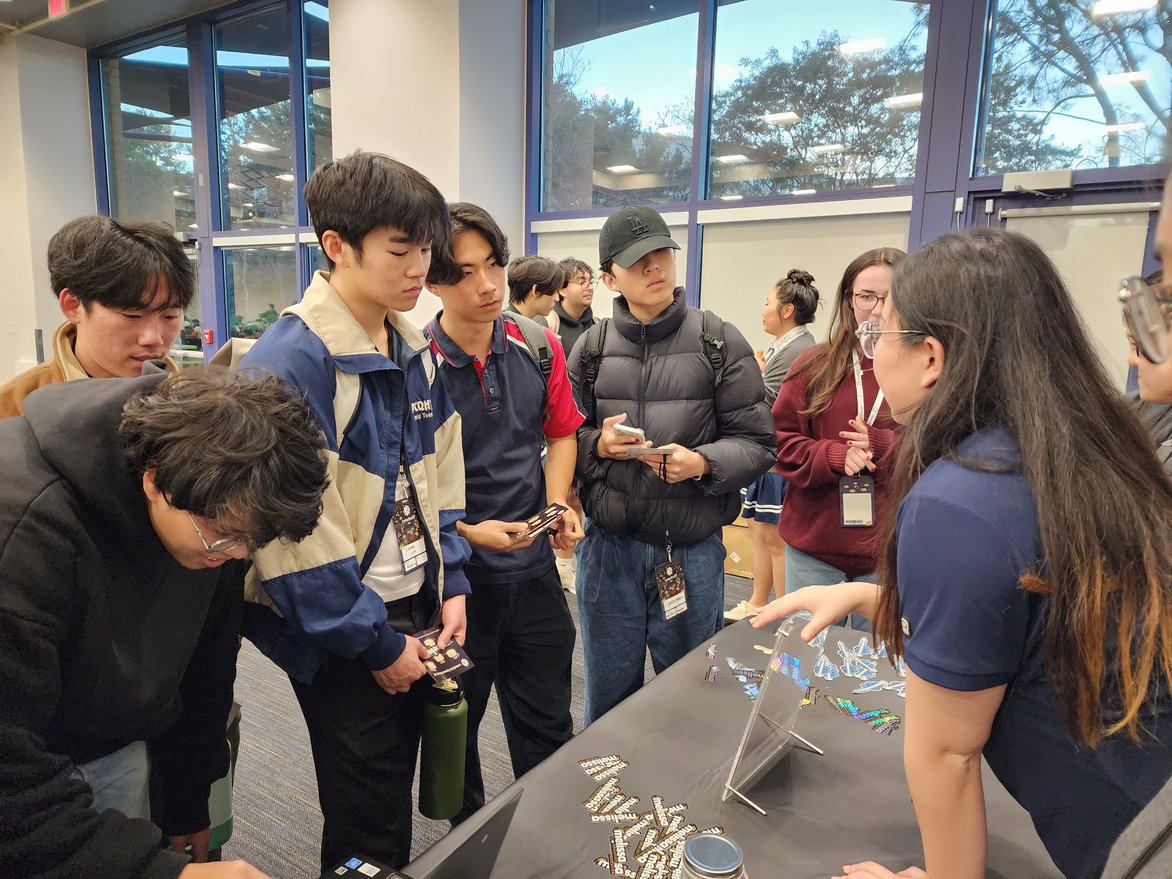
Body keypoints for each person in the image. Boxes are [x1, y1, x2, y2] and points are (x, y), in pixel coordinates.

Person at [753, 227, 1172, 879]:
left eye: (884, 332)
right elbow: (1029, 608)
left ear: (930, 358)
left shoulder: (958, 500)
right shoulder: (1093, 447)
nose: (874, 350)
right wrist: (873, 596)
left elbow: (946, 755)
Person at [237, 150, 472, 871]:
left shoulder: (412, 343)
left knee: (404, 788)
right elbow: (292, 535)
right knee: (367, 815)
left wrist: (453, 578)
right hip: (344, 629)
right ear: (336, 246)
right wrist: (374, 642)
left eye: (426, 250)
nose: (417, 268)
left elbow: (441, 467)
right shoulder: (292, 361)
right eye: (400, 250)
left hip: (413, 603)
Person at [0, 368, 328, 879]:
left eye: (252, 541)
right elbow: (9, 775)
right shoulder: (23, 531)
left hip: (114, 735)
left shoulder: (223, 515)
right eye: (223, 535)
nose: (237, 553)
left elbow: (206, 666)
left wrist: (184, 798)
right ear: (155, 480)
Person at [567, 204, 775, 725]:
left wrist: (701, 463)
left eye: (662, 253)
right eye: (639, 260)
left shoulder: (718, 340)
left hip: (691, 554)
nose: (656, 267)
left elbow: (757, 442)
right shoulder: (590, 350)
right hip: (607, 553)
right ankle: (603, 803)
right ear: (609, 276)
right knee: (608, 705)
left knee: (691, 707)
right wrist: (597, 445)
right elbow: (560, 442)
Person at [424, 203, 583, 823]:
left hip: (536, 576)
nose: (488, 285)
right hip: (456, 587)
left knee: (547, 730)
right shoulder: (416, 364)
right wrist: (465, 532)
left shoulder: (538, 346)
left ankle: (544, 845)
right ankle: (473, 852)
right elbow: (402, 485)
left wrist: (556, 502)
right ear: (432, 281)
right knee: (456, 735)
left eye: (494, 264)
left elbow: (562, 432)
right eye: (464, 272)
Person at [772, 248, 904, 612]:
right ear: (849, 300)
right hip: (813, 549)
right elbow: (780, 442)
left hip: (888, 553)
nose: (877, 309)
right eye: (866, 296)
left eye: (890, 297)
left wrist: (883, 444)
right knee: (803, 656)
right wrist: (831, 455)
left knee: (879, 663)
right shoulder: (813, 365)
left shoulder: (922, 367)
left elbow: (941, 449)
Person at [0, 215, 194, 418]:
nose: (154, 338)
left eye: (170, 316)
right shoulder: (14, 411)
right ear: (73, 305)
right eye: (132, 316)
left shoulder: (196, 404)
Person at [725, 269, 819, 621]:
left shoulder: (798, 349)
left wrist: (750, 373)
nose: (762, 310)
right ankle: (758, 602)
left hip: (781, 454)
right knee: (759, 529)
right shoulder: (790, 346)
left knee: (776, 538)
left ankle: (782, 613)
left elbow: (764, 401)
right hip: (769, 455)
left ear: (787, 310)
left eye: (767, 303)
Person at [550, 257, 599, 592]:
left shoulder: (599, 328)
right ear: (562, 289)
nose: (588, 286)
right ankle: (564, 564)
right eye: (580, 281)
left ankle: (575, 558)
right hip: (561, 425)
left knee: (583, 495)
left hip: (592, 422)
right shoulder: (551, 327)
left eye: (591, 280)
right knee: (565, 494)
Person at [552, 257, 599, 355]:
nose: (590, 288)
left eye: (590, 282)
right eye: (581, 282)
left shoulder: (598, 326)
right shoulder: (549, 326)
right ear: (562, 290)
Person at [505, 255, 566, 328]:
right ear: (536, 290)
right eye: (554, 292)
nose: (557, 299)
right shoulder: (506, 329)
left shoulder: (523, 324)